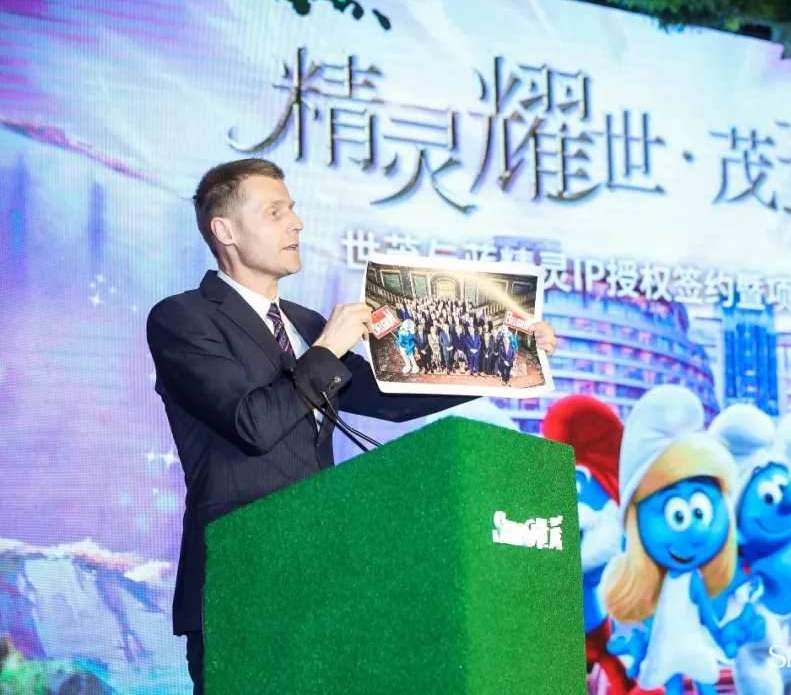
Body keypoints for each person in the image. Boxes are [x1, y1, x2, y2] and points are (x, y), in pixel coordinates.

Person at [145, 158, 558, 694]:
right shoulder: (183, 317)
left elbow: (391, 401)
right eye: (275, 212)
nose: (296, 224)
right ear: (225, 231)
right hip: (242, 576)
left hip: (326, 576)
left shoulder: (305, 323)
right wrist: (326, 350)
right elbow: (253, 423)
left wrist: (509, 357)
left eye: (293, 210)